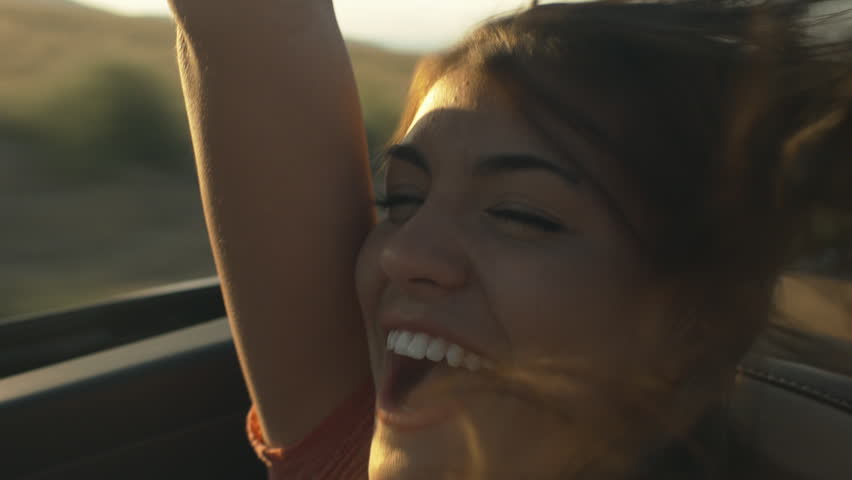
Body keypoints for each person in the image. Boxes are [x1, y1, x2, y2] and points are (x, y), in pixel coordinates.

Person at [166, 0, 852, 478]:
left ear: (696, 323)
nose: (403, 252)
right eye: (402, 199)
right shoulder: (354, 448)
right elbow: (248, 20)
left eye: (521, 215)